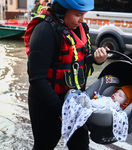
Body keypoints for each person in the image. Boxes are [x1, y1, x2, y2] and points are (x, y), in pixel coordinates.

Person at [24, 0, 108, 149]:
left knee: (81, 145)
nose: (82, 20)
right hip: (47, 103)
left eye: (83, 15)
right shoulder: (44, 31)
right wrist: (60, 110)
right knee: (44, 146)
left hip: (75, 100)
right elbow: (36, 78)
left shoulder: (81, 27)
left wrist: (96, 59)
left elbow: (80, 58)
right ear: (62, 10)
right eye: (77, 15)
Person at [62, 85, 132, 145]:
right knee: (94, 102)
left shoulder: (117, 107)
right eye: (117, 92)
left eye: (120, 95)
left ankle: (85, 102)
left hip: (101, 109)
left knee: (93, 104)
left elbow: (109, 108)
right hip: (97, 104)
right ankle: (83, 101)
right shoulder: (108, 98)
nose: (116, 94)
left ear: (125, 103)